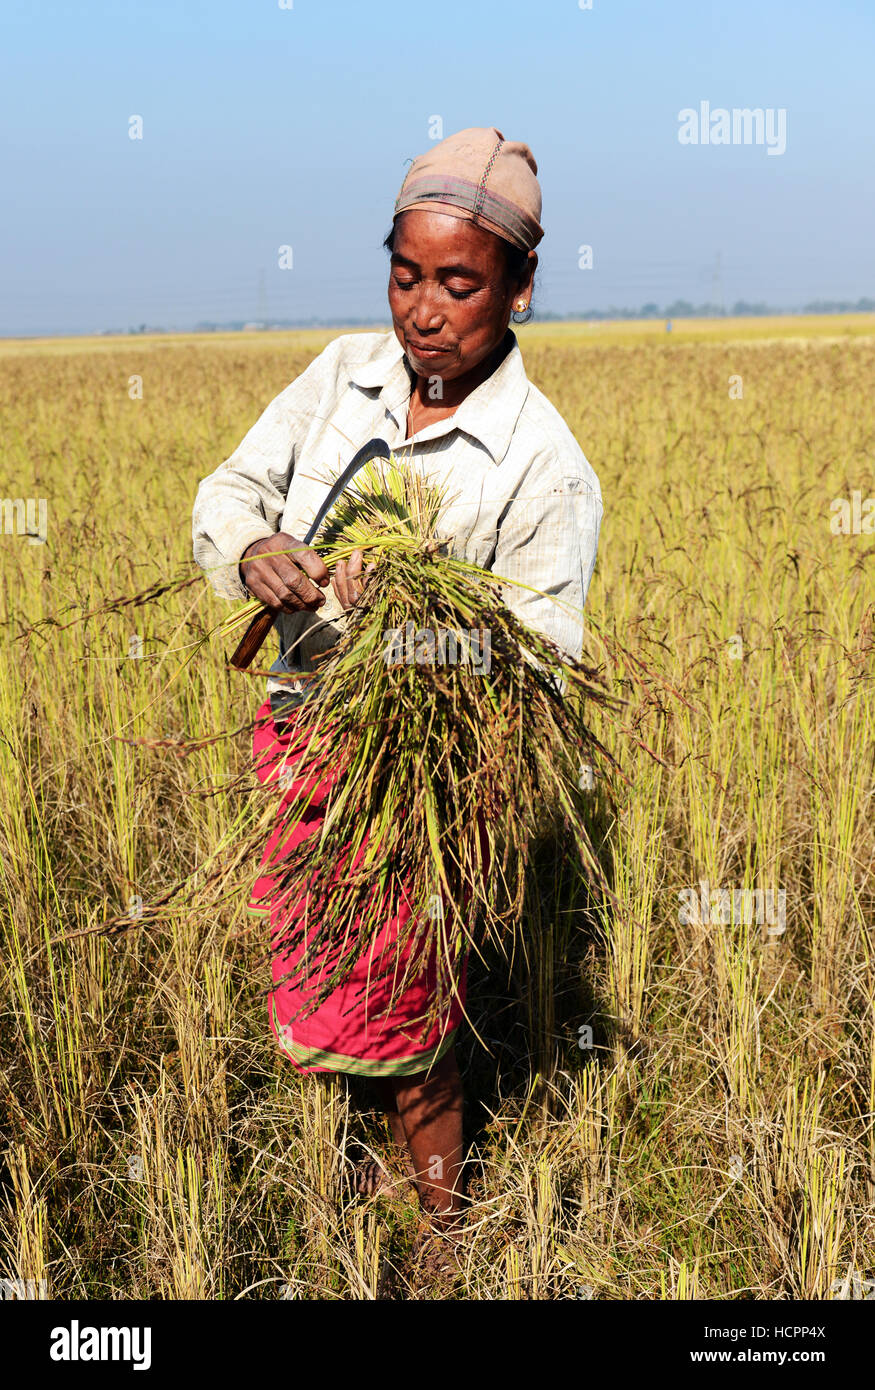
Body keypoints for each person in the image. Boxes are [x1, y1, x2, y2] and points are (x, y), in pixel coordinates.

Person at [192, 126, 603, 1233]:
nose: (422, 308)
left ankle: (442, 1232)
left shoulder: (539, 462)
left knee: (410, 1012)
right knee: (315, 975)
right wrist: (252, 551)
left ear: (520, 287)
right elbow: (228, 489)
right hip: (300, 745)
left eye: (459, 283)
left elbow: (540, 662)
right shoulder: (341, 373)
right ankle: (335, 1188)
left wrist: (418, 622)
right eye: (404, 273)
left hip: (423, 783)